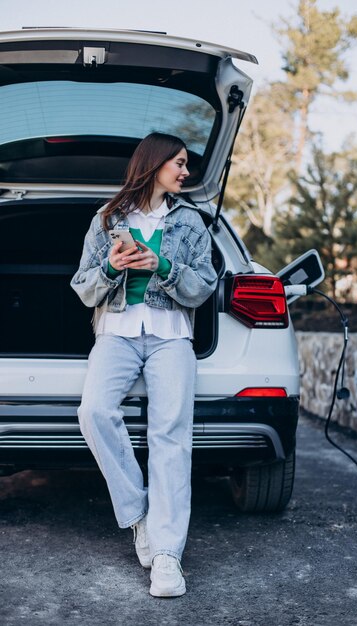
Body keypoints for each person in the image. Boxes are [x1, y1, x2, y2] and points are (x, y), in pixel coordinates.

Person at [70, 132, 218, 597]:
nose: (186, 171)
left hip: (171, 336)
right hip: (116, 332)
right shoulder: (108, 218)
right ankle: (139, 517)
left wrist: (161, 266)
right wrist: (113, 268)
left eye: (187, 164)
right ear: (153, 164)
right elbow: (83, 286)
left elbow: (203, 286)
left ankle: (168, 555)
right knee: (93, 412)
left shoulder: (192, 221)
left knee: (170, 434)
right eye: (179, 162)